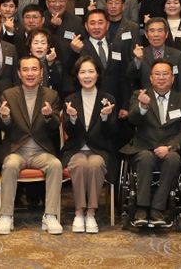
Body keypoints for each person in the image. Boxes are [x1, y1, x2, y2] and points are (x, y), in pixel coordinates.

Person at [0, 56, 63, 235]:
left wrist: (48, 116)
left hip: (41, 151)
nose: (30, 73)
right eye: (25, 70)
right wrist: (5, 117)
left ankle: (50, 215)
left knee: (56, 165)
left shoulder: (51, 95)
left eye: (34, 69)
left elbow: (55, 126)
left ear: (41, 73)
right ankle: (6, 215)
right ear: (19, 73)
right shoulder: (9, 95)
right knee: (10, 165)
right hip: (17, 150)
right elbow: (2, 127)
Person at [121, 59, 181, 226]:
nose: (161, 78)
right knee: (146, 158)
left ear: (172, 78)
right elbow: (132, 120)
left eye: (165, 74)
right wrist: (142, 107)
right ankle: (142, 207)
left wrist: (170, 147)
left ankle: (157, 208)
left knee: (173, 159)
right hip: (143, 147)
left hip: (169, 149)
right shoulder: (139, 95)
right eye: (157, 74)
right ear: (151, 78)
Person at [61, 56, 117, 233]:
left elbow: (112, 132)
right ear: (77, 75)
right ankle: (79, 212)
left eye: (91, 71)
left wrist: (105, 117)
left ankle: (91, 213)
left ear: (98, 74)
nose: (87, 76)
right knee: (79, 164)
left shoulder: (107, 99)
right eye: (82, 72)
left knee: (95, 164)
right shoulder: (70, 99)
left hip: (99, 149)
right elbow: (70, 132)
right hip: (76, 149)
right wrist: (72, 118)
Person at [129, 17, 181, 94]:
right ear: (146, 34)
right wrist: (137, 60)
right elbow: (131, 77)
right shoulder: (138, 54)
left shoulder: (178, 55)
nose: (156, 34)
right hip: (146, 99)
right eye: (152, 31)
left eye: (160, 31)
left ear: (166, 34)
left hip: (172, 100)